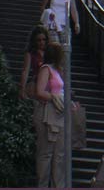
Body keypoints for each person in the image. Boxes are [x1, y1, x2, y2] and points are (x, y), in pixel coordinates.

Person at [34, 42, 66, 188]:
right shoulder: (46, 69)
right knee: (46, 154)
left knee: (58, 155)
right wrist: (54, 97)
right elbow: (39, 92)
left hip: (58, 115)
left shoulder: (58, 71)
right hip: (47, 114)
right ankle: (42, 185)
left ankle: (57, 185)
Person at [20, 25, 48, 99]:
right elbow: (25, 71)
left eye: (44, 39)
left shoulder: (49, 52)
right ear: (34, 41)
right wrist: (22, 89)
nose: (42, 42)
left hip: (51, 84)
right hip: (37, 84)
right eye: (39, 40)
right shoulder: (30, 53)